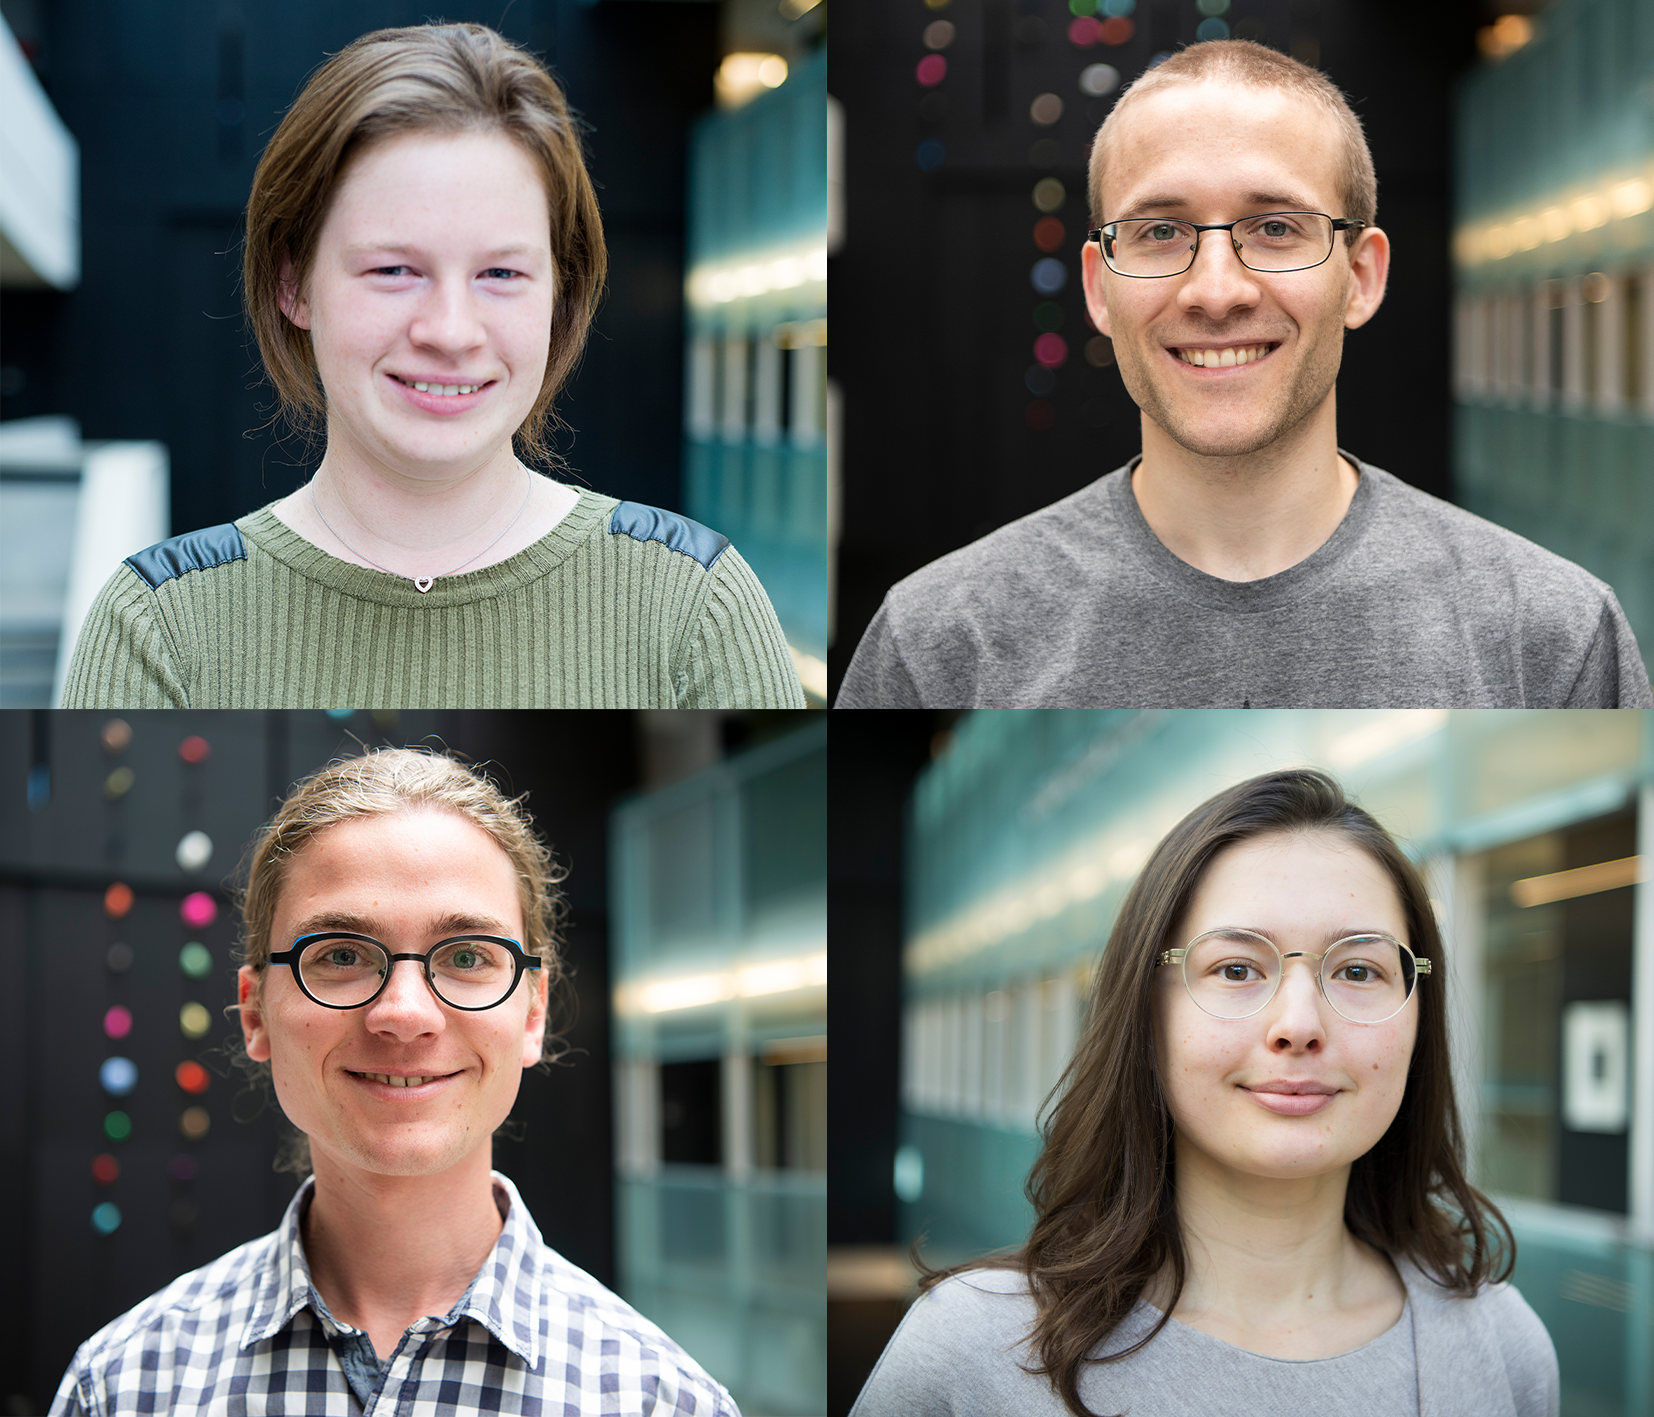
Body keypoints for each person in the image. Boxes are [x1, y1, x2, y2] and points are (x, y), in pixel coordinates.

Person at [835, 40, 1650, 709]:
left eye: (1273, 227)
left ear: (1360, 277)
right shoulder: (941, 641)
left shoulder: (1553, 636)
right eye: (1159, 230)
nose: (1217, 291)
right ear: (1097, 287)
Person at [62, 23, 804, 709]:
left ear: (560, 294)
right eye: (394, 270)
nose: (450, 331)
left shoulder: (696, 606)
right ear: (293, 285)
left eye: (501, 275)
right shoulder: (157, 626)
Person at [51, 748, 739, 1415]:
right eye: (342, 953)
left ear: (533, 1012)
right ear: (255, 1011)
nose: (405, 1013)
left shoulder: (665, 1400)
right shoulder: (120, 1385)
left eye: (468, 954)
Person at [853, 768, 1558, 1417]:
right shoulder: (974, 1354)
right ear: (1146, 1012)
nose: (1299, 1025)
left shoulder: (1503, 1351)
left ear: (1417, 1017)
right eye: (1236, 967)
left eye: (1359, 970)